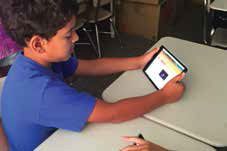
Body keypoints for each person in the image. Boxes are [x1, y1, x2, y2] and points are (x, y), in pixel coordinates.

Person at [0, 0, 185, 150]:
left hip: (54, 135)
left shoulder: (35, 61)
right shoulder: (43, 92)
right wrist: (164, 96)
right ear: (38, 44)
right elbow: (114, 114)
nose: (76, 38)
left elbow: (93, 66)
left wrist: (139, 61)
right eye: (68, 35)